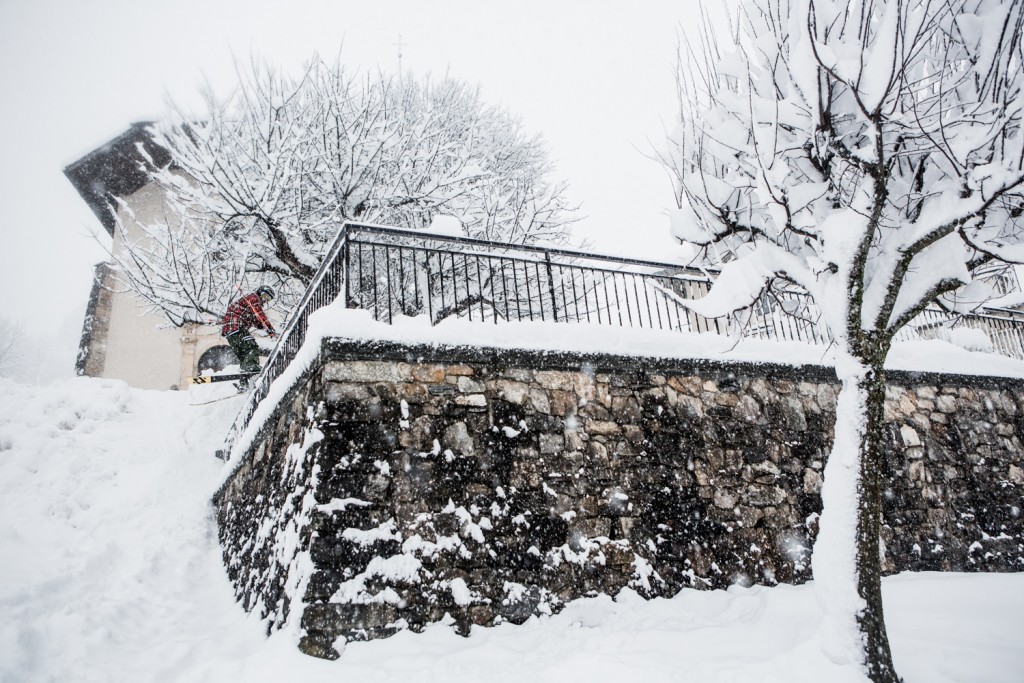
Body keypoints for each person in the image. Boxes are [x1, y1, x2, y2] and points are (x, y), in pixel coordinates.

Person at [221, 286, 277, 388]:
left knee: (244, 356)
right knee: (252, 347)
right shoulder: (254, 298)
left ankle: (244, 384)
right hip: (236, 328)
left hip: (230, 333)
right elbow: (260, 314)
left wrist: (259, 325)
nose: (264, 300)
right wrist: (269, 329)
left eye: (267, 299)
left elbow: (253, 318)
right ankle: (252, 368)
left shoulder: (249, 301)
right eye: (265, 296)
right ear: (260, 292)